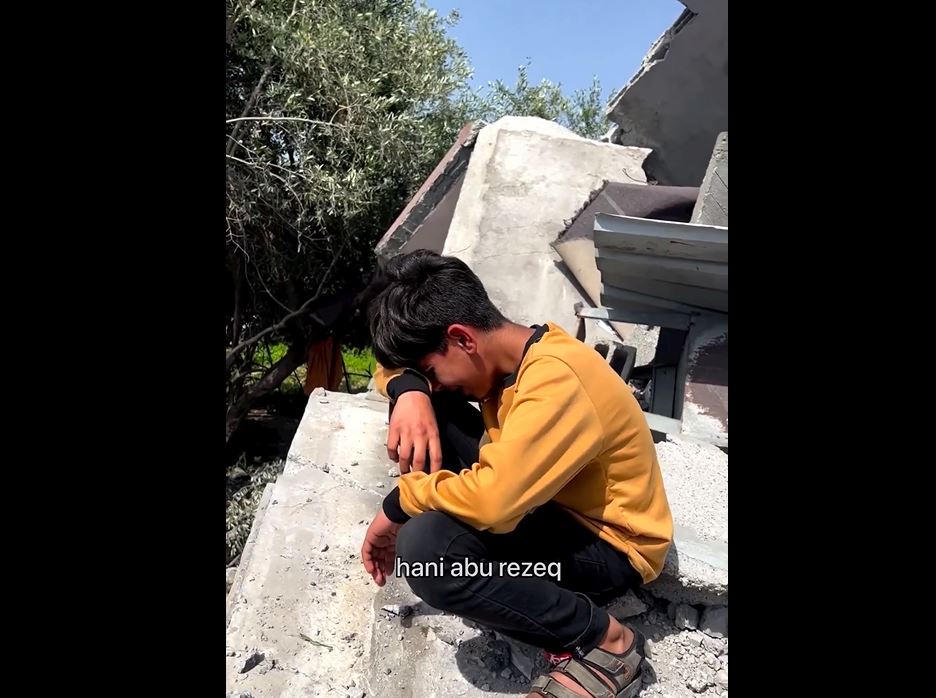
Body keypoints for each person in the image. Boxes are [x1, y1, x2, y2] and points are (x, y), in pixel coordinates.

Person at [360, 249, 672, 698]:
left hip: (609, 547)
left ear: (462, 338)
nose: (435, 380)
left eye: (430, 369)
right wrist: (411, 390)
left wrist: (401, 502)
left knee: (427, 551)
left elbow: (496, 505)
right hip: (548, 503)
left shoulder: (556, 380)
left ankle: (604, 640)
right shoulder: (512, 352)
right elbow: (390, 367)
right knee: (435, 408)